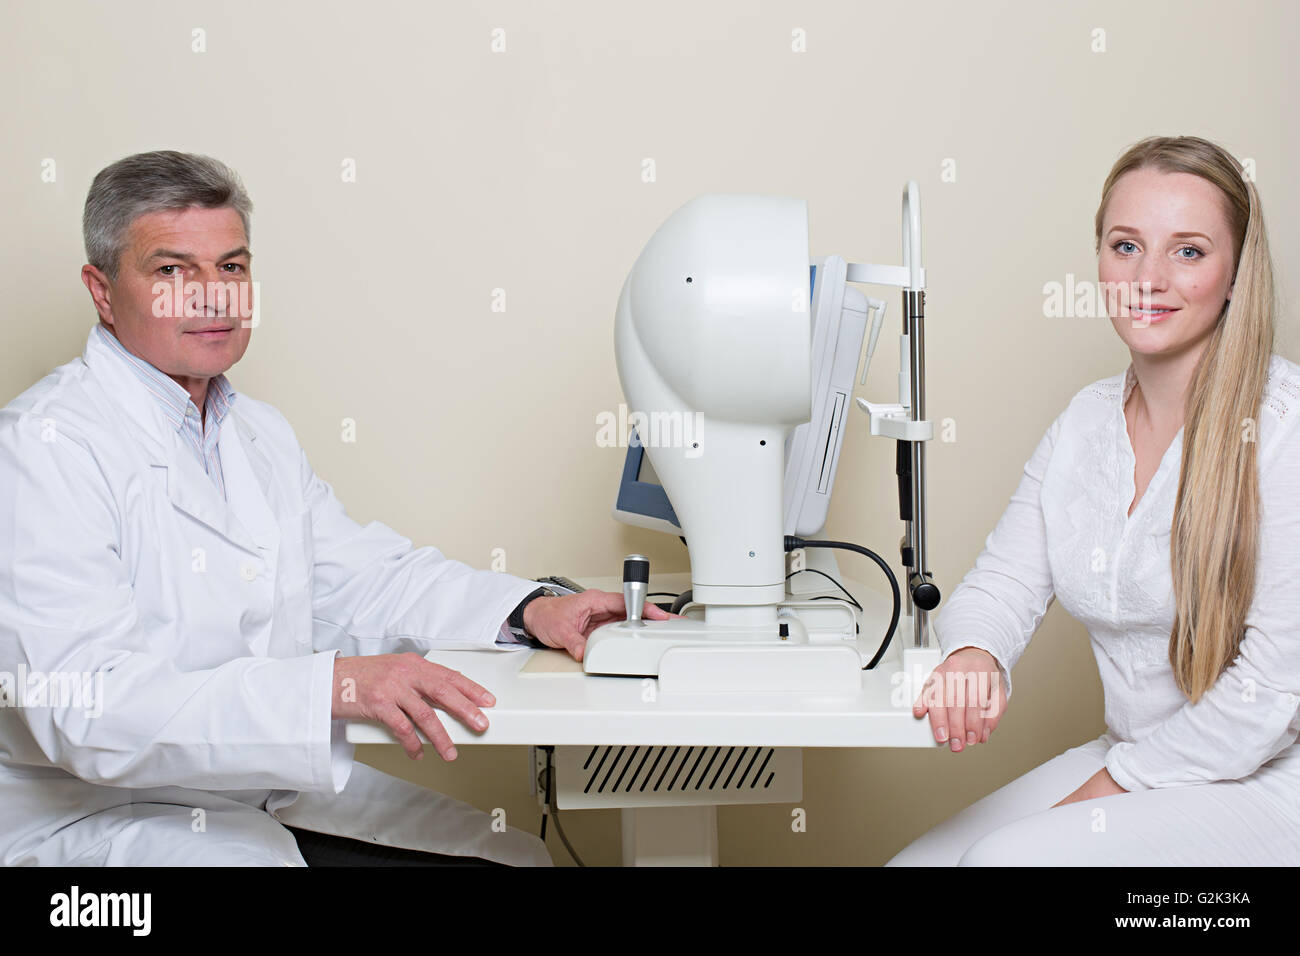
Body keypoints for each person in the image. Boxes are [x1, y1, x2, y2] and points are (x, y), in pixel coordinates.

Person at [0, 150, 671, 866]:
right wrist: (334, 684)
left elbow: (366, 581)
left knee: (516, 859)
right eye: (171, 271)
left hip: (251, 793)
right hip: (92, 818)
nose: (213, 297)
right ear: (102, 291)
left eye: (231, 267)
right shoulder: (41, 449)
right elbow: (90, 713)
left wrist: (529, 608)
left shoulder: (257, 434)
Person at [890, 135, 1300, 866]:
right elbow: (1006, 581)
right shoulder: (1086, 419)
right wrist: (976, 653)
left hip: (1265, 779)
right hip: (1134, 754)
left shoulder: (1282, 428)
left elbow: (1269, 693)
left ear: (1236, 271)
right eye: (1125, 245)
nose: (1147, 278)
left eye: (1189, 251)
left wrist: (1108, 789)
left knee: (1001, 863)